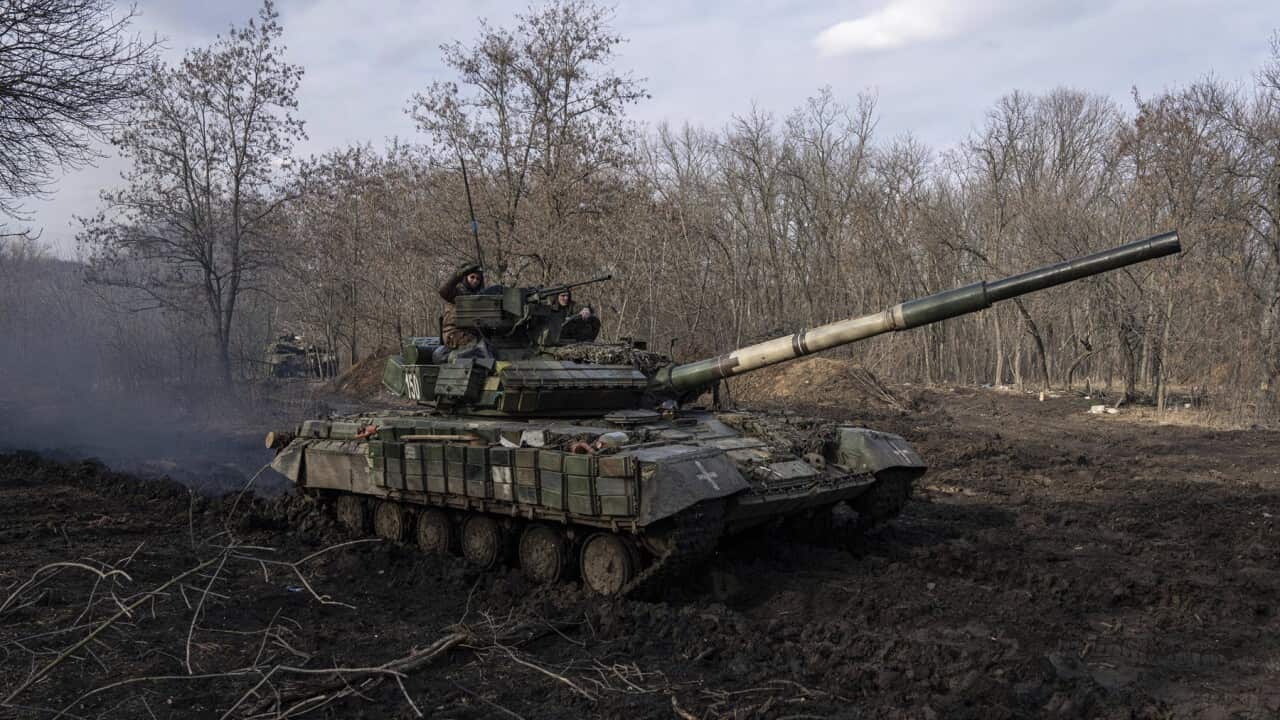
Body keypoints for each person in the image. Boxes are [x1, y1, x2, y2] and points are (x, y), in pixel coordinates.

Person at [438, 262, 499, 359]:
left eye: (478, 279)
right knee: (478, 348)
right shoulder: (457, 293)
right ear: (465, 278)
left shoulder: (479, 297)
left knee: (490, 348)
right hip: (454, 334)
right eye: (472, 277)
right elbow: (443, 291)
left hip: (472, 335)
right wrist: (459, 273)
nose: (475, 281)